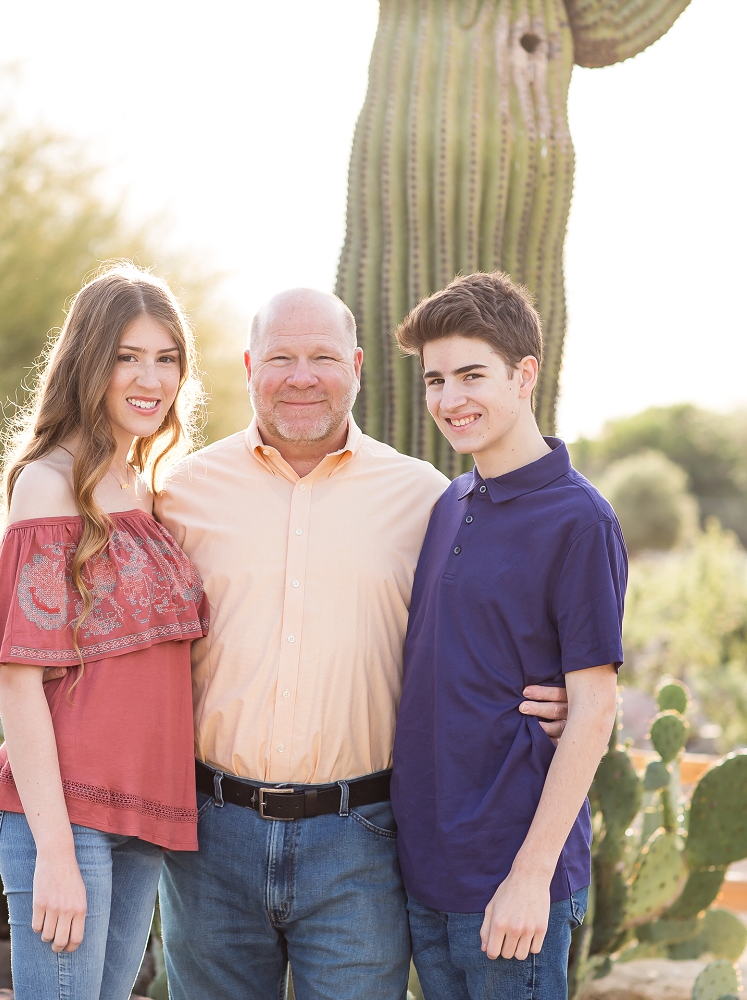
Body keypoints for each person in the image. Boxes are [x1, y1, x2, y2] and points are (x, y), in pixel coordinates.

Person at [152, 286, 572, 1000]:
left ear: (356, 365)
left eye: (322, 357)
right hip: (210, 840)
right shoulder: (181, 492)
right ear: (251, 365)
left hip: (361, 841)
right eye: (281, 358)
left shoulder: (425, 498)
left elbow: (478, 632)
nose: (302, 376)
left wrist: (558, 698)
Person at [0, 263, 209, 1000]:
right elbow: (18, 682)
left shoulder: (147, 487)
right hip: (64, 821)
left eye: (167, 359)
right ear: (88, 363)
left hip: (143, 816)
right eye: (128, 357)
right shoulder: (50, 483)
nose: (151, 378)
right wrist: (56, 855)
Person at [391, 272, 625, 1000]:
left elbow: (594, 706)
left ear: (525, 375)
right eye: (435, 380)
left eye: (471, 375)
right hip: (429, 870)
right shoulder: (450, 502)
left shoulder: (579, 520)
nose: (449, 399)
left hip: (512, 879)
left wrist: (529, 879)